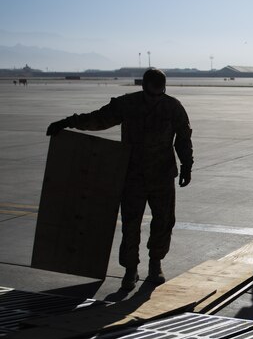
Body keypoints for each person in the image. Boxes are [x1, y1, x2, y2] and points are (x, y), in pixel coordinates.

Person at [46, 68, 193, 291]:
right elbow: (98, 119)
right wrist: (68, 122)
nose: (155, 98)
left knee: (164, 221)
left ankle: (155, 264)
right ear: (143, 87)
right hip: (133, 175)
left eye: (159, 93)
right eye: (151, 94)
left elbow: (183, 137)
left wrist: (187, 165)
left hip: (162, 175)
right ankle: (130, 269)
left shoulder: (172, 107)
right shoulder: (128, 104)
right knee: (131, 224)